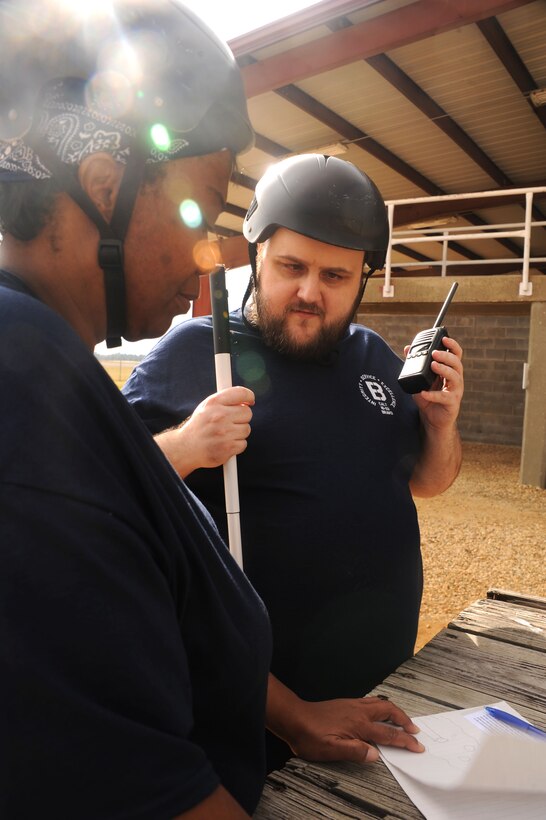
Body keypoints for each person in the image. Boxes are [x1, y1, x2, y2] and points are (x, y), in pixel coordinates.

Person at [0, 5, 425, 818]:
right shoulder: (26, 393)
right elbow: (107, 768)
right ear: (103, 189)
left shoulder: (50, 361)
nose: (213, 251)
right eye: (200, 204)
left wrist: (294, 715)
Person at [123, 152, 464, 770]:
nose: (310, 292)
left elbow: (428, 482)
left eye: (335, 277)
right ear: (256, 255)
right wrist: (184, 444)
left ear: (364, 279)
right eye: (291, 267)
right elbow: (109, 485)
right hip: (251, 712)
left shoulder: (375, 359)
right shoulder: (194, 350)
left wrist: (441, 427)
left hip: (381, 696)